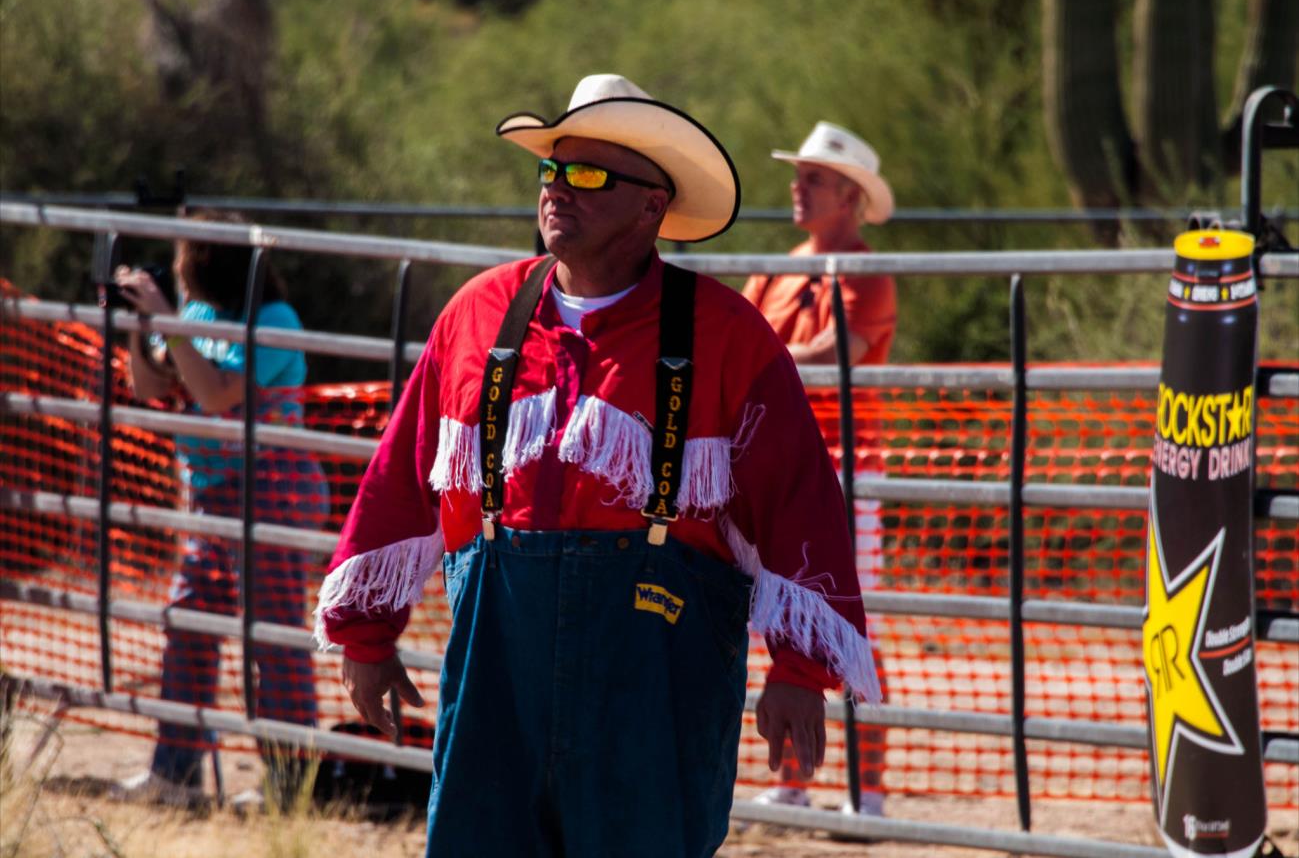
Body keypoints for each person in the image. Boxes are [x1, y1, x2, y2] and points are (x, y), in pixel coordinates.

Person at [314, 74, 880, 857]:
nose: (556, 189)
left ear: (652, 204)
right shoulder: (476, 315)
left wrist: (797, 669)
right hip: (495, 682)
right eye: (551, 169)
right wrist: (366, 639)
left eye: (586, 174)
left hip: (651, 685)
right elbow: (401, 477)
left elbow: (799, 502)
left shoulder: (725, 334)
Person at [112, 210, 329, 809]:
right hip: (212, 492)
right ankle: (175, 775)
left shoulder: (275, 319)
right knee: (188, 625)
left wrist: (170, 322)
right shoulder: (199, 314)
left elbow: (214, 395)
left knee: (272, 640)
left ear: (205, 260)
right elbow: (150, 386)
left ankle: (289, 788)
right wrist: (142, 322)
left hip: (273, 491)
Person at [742, 121, 897, 817]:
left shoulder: (865, 271)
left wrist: (763, 363)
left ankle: (867, 791)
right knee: (779, 622)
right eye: (798, 176)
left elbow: (842, 347)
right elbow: (740, 341)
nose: (796, 189)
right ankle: (795, 779)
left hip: (843, 473)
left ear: (849, 197)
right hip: (775, 472)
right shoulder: (777, 267)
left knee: (846, 627)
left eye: (812, 179)